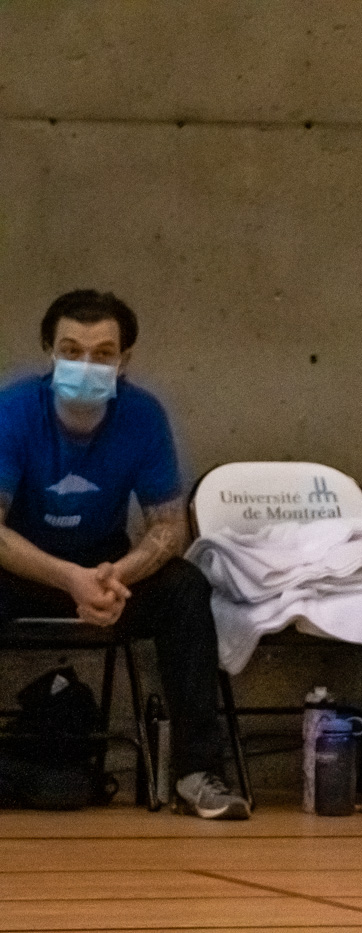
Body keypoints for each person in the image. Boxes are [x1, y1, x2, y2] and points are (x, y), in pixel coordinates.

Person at [0, 290, 249, 819]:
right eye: (71, 349)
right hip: (23, 565)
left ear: (124, 361)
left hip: (107, 569)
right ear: (49, 351)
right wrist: (69, 579)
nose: (86, 364)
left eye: (103, 353)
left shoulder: (143, 415)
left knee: (185, 587)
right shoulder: (14, 410)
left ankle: (196, 773)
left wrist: (118, 574)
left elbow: (167, 526)